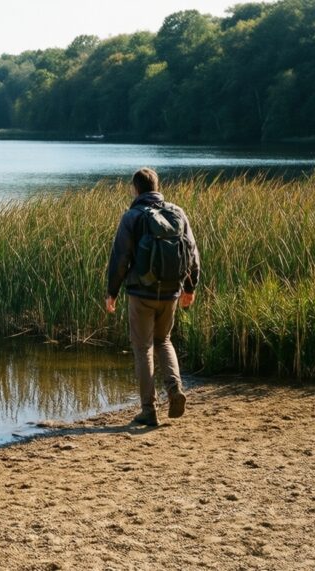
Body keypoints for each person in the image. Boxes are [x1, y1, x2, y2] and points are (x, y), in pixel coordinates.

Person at [105, 167, 200, 427]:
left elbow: (120, 258)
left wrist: (111, 292)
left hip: (140, 293)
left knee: (143, 348)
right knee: (164, 341)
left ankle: (149, 410)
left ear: (136, 189)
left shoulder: (132, 216)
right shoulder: (177, 212)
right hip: (171, 292)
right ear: (156, 187)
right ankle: (174, 389)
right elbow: (192, 252)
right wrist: (190, 288)